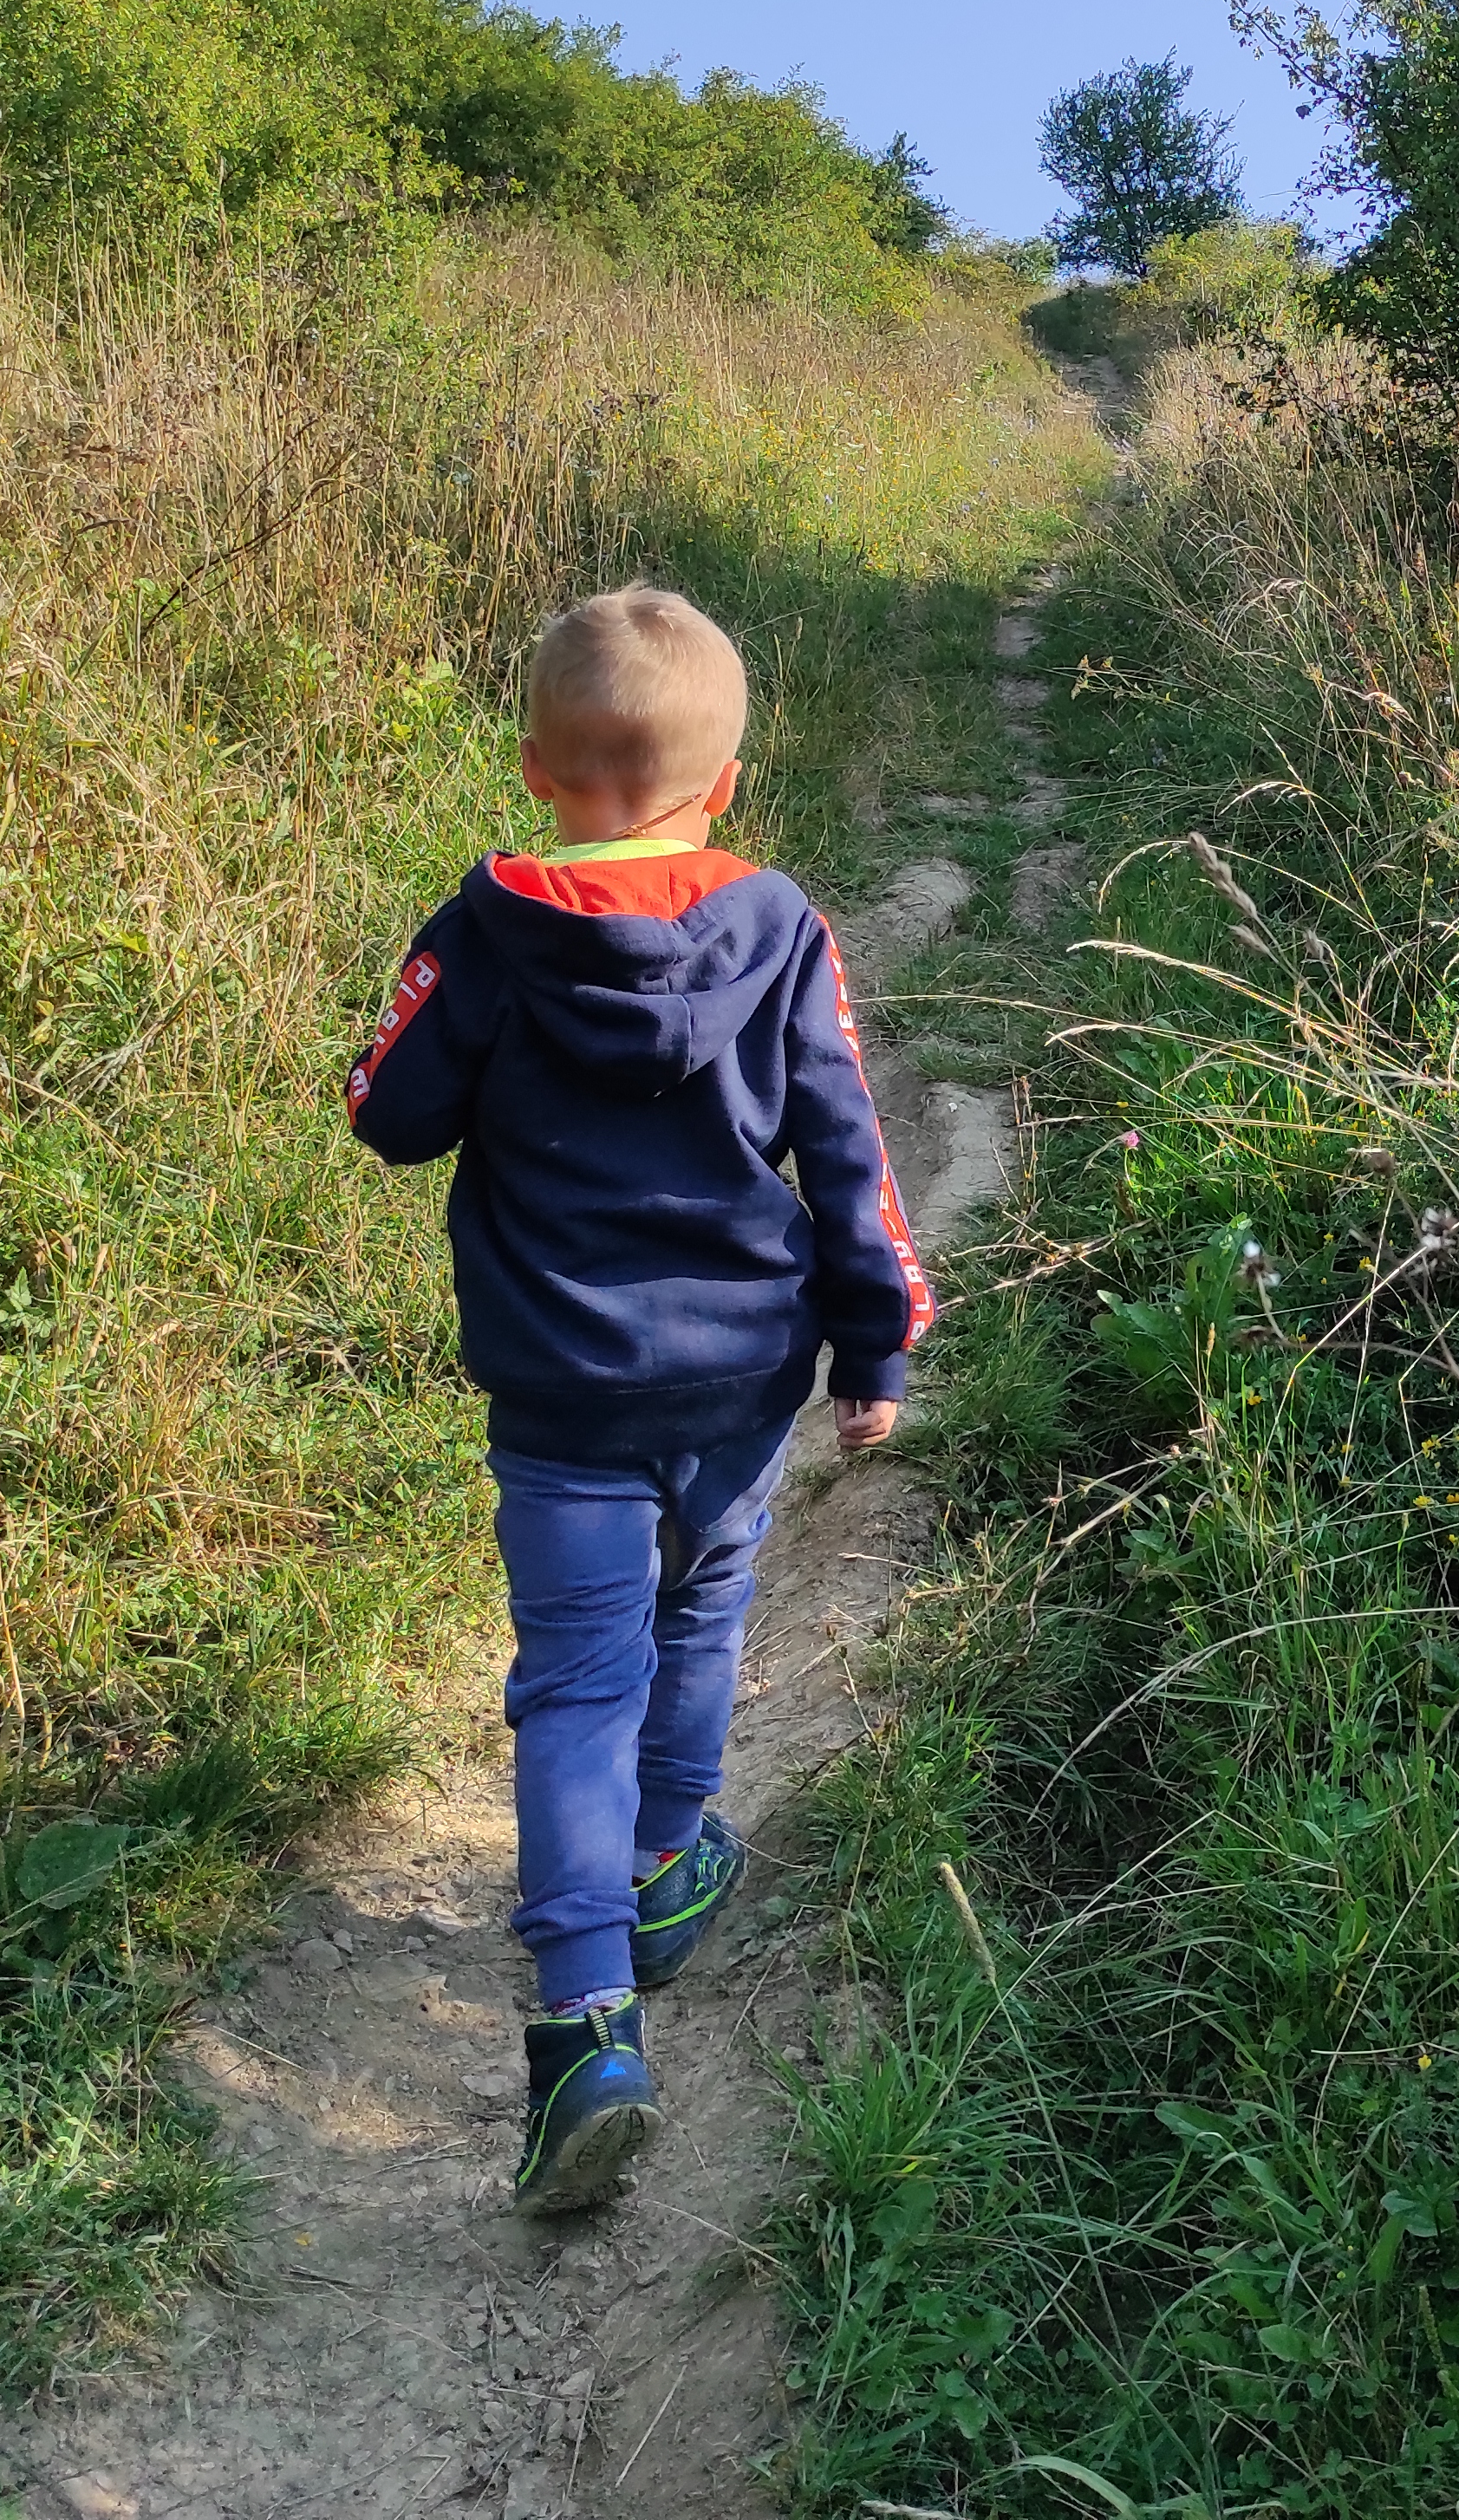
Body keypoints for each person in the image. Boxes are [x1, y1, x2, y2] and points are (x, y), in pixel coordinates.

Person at [345, 584, 929, 2211]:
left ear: (536, 764)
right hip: (740, 1373)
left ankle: (582, 2031)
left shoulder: (490, 920)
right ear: (724, 783)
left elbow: (389, 1114)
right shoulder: (780, 922)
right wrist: (875, 1345)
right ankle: (670, 1853)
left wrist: (442, 992)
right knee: (707, 1610)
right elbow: (848, 1149)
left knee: (575, 1681)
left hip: (558, 1386)